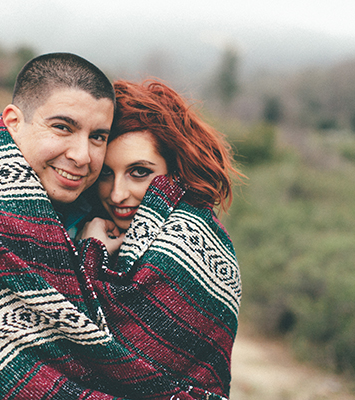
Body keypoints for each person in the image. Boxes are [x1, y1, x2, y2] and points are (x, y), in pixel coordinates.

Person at [0, 54, 201, 400]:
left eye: (97, 137)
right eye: (63, 127)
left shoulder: (98, 214)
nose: (82, 155)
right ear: (14, 122)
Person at [77, 79, 243, 399]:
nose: (117, 194)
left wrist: (91, 250)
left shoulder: (187, 244)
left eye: (139, 172)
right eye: (106, 173)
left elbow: (99, 350)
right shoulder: (97, 225)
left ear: (175, 169)